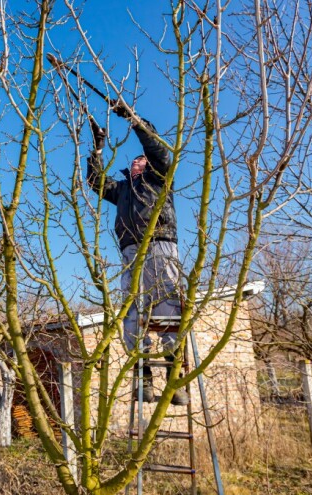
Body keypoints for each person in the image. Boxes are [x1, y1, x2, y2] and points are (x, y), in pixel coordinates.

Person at [86, 105, 189, 405]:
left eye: (142, 159)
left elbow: (160, 152)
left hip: (160, 244)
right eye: (135, 160)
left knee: (169, 305)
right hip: (130, 250)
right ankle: (143, 377)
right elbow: (95, 182)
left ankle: (174, 379)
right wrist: (97, 148)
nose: (137, 161)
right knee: (132, 311)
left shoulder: (159, 179)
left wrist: (134, 119)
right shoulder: (122, 191)